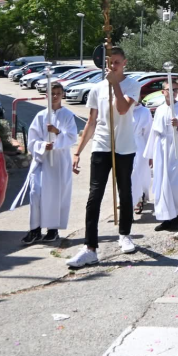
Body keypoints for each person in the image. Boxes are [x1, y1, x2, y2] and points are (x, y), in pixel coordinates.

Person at [67, 47, 142, 269]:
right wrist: (78, 151)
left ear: (125, 62)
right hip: (101, 144)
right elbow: (91, 122)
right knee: (94, 195)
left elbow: (122, 109)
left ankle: (125, 234)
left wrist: (115, 84)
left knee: (124, 191)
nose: (113, 66)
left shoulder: (132, 85)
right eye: (110, 62)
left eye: (117, 62)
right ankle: (90, 248)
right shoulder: (97, 88)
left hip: (124, 146)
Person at [17, 83, 77, 245]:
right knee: (36, 193)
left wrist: (57, 133)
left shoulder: (68, 115)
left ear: (62, 95)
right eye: (52, 93)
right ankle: (35, 230)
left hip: (58, 162)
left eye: (58, 93)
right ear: (47, 96)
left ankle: (52, 230)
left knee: (55, 195)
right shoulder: (41, 116)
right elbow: (32, 140)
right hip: (42, 160)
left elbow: (72, 137)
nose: (55, 96)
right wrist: (44, 145)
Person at [145, 79, 178, 231]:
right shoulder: (159, 109)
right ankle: (166, 217)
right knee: (161, 184)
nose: (172, 92)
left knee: (173, 184)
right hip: (161, 149)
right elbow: (154, 132)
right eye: (169, 90)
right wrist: (151, 154)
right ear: (163, 92)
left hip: (175, 149)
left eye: (174, 90)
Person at [131, 100, 154, 216]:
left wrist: (150, 153)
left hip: (139, 144)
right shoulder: (121, 109)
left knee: (138, 172)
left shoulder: (144, 111)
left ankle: (138, 199)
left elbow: (149, 133)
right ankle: (126, 198)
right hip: (123, 144)